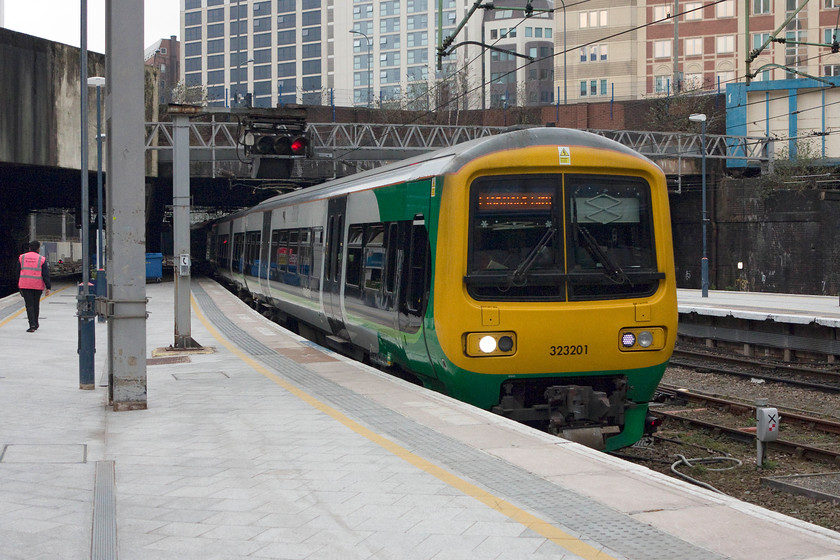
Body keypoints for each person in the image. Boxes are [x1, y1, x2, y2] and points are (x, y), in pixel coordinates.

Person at [17, 240, 51, 333]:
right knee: (36, 305)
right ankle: (36, 323)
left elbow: (17, 272)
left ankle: (31, 325)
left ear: (29, 248)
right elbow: (45, 274)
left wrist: (18, 284)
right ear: (38, 249)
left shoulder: (22, 257)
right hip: (37, 285)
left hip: (25, 285)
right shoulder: (42, 259)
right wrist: (48, 287)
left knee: (29, 305)